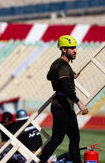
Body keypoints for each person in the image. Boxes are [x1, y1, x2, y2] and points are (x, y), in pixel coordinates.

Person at [38, 35, 88, 163]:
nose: (75, 50)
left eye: (75, 48)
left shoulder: (57, 63)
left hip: (63, 106)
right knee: (57, 139)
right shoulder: (63, 65)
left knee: (74, 138)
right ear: (64, 49)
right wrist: (79, 102)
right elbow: (65, 86)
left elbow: (49, 76)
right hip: (62, 106)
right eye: (72, 48)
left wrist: (70, 74)